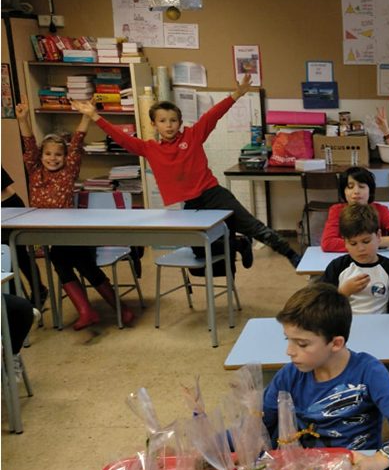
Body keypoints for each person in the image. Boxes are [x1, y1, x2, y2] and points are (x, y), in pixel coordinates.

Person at [72, 75, 301, 268]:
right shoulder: (149, 149)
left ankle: (292, 256)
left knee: (255, 228)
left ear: (180, 122)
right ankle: (239, 244)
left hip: (214, 194)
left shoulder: (192, 136)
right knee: (199, 250)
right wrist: (94, 116)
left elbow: (213, 115)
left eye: (173, 120)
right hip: (191, 204)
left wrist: (237, 94)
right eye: (163, 121)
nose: (169, 125)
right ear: (154, 125)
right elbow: (121, 138)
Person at [261, 283, 389, 470]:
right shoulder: (289, 376)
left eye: (302, 344)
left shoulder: (368, 371)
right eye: (287, 339)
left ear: (336, 343)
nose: (289, 351)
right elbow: (258, 427)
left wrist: (379, 460)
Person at [16, 102, 135, 329]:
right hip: (51, 234)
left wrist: (86, 117)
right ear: (40, 156)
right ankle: (110, 310)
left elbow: (78, 142)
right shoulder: (35, 170)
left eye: (58, 155)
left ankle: (93, 311)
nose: (53, 158)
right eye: (48, 154)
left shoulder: (68, 171)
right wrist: (23, 120)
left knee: (67, 260)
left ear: (65, 157)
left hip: (72, 232)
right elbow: (29, 145)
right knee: (70, 261)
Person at [321, 204, 389, 314]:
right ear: (345, 242)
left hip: (382, 323)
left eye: (366, 241)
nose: (361, 249)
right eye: (353, 243)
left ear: (378, 236)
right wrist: (343, 292)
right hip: (345, 322)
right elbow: (322, 308)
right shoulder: (337, 267)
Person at [320, 166, 389, 253]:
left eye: (362, 186)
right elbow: (328, 243)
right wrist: (368, 243)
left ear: (370, 190)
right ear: (343, 191)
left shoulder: (381, 210)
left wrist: (372, 242)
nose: (356, 191)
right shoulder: (337, 211)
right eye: (350, 187)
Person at [2, 166, 47, 308]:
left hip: (8, 207)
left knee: (12, 257)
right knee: (13, 258)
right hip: (7, 206)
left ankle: (17, 304)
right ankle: (17, 302)